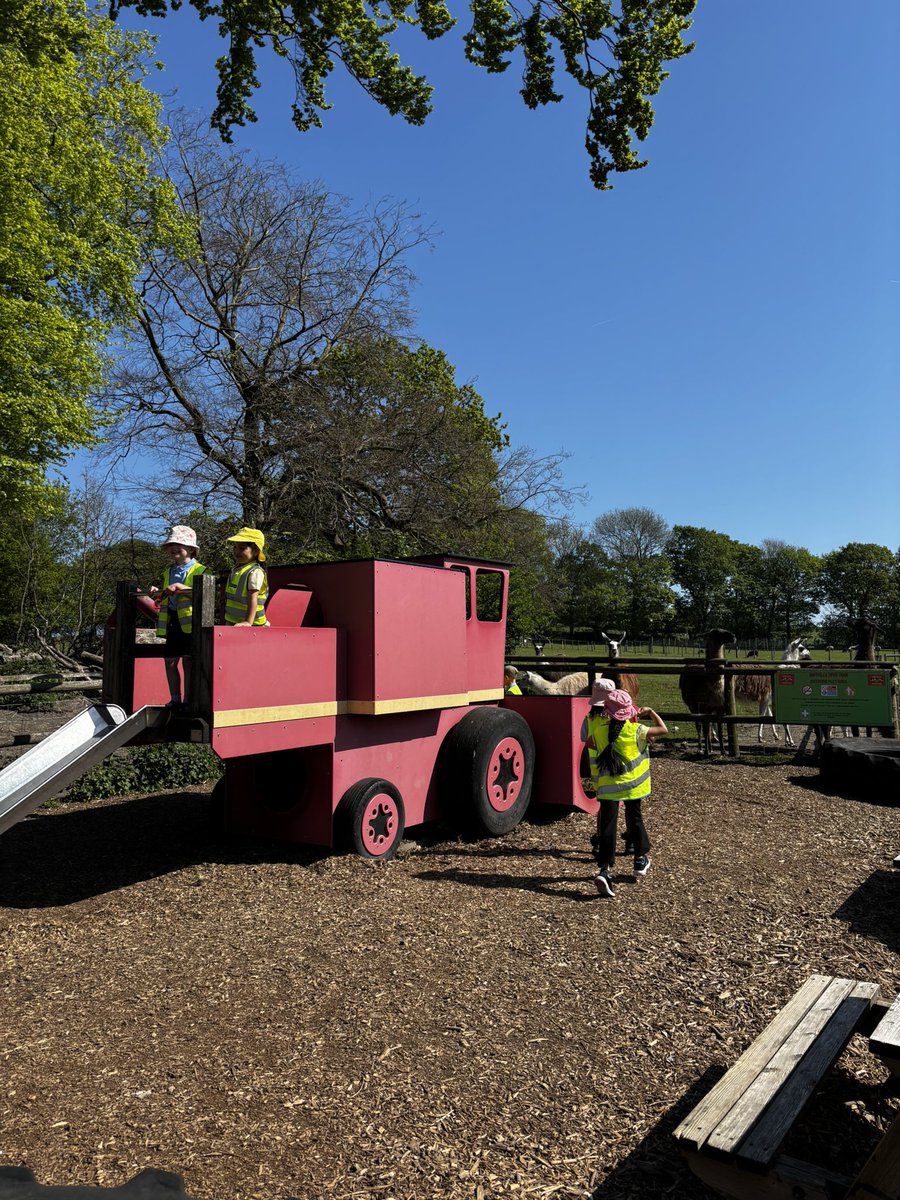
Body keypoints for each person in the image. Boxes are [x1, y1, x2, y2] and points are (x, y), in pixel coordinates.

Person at [586, 687, 667, 898]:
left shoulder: (600, 731)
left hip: (608, 789)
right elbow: (663, 729)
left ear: (608, 711)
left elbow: (590, 743)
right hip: (633, 787)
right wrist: (651, 713)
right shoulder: (637, 730)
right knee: (635, 820)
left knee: (608, 826)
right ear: (628, 711)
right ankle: (639, 859)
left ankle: (604, 870)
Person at [152, 525, 206, 710]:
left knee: (188, 662)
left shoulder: (200, 570)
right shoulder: (168, 571)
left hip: (192, 623)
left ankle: (188, 700)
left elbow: (204, 593)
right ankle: (175, 699)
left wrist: (180, 587)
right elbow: (166, 595)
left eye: (179, 544)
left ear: (191, 549)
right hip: (173, 622)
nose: (173, 548)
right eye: (171, 545)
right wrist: (156, 592)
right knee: (170, 661)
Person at [224, 527, 269, 627]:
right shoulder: (237, 569)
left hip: (253, 626)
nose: (236, 551)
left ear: (256, 551)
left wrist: (248, 622)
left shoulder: (255, 572)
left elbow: (253, 598)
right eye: (235, 547)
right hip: (234, 622)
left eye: (242, 548)